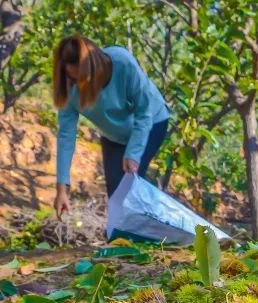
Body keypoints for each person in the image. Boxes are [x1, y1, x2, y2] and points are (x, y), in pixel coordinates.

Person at [51, 35, 171, 218]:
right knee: (116, 197)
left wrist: (133, 154)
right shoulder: (68, 89)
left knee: (129, 189)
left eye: (83, 79)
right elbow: (66, 136)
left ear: (95, 68)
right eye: (72, 79)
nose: (78, 86)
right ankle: (122, 240)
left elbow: (144, 112)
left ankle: (157, 231)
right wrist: (61, 189)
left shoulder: (122, 63)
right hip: (113, 136)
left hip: (152, 121)